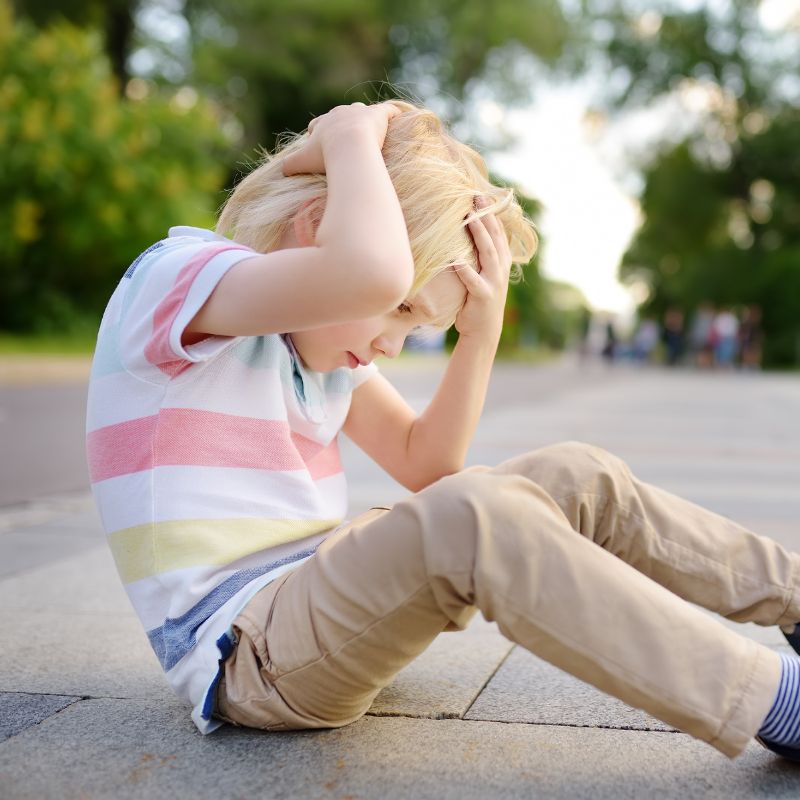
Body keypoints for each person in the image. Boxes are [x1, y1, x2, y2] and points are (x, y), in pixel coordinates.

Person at [86, 99, 800, 765]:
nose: (393, 343)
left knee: (575, 474)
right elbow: (366, 273)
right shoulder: (176, 282)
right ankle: (776, 702)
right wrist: (347, 137)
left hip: (321, 606)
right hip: (252, 654)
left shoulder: (316, 347)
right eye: (399, 309)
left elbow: (428, 461)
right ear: (318, 228)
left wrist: (479, 335)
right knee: (474, 515)